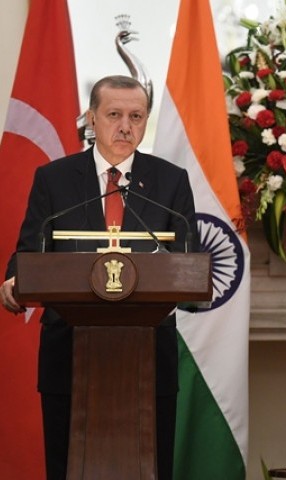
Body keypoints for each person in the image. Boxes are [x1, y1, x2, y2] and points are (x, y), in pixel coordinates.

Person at [0, 75, 199, 480]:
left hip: (148, 361)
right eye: (113, 115)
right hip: (68, 357)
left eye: (136, 116)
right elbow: (28, 255)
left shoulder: (170, 180)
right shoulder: (54, 178)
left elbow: (187, 263)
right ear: (91, 119)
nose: (126, 126)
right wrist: (14, 280)